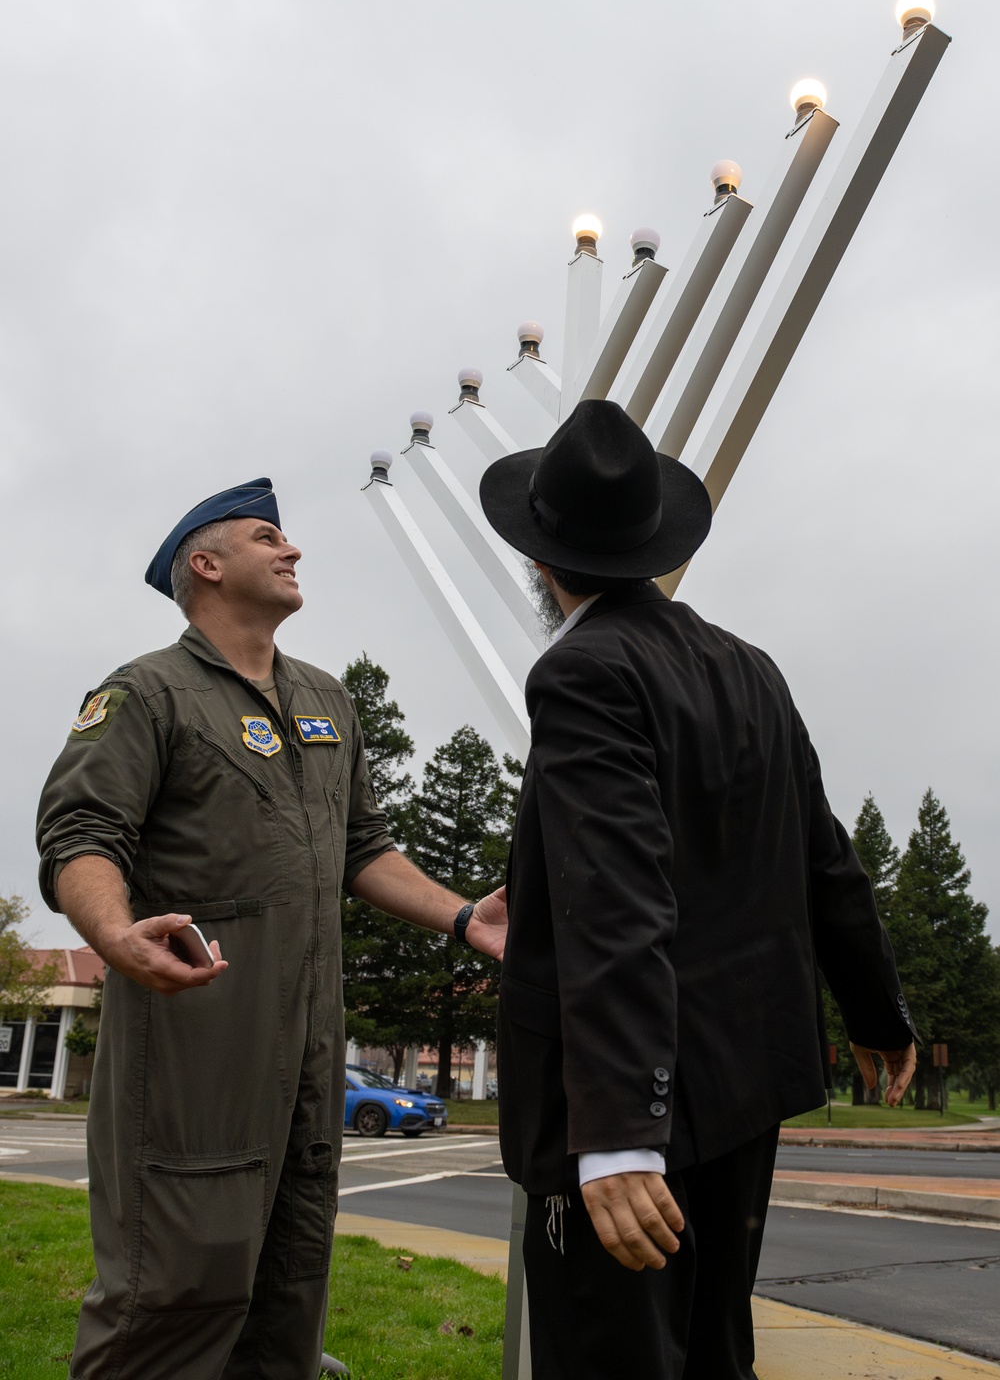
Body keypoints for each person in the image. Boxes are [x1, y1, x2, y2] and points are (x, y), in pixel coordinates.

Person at [478, 401, 917, 1380]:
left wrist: (618, 1133)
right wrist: (876, 1007)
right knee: (714, 1349)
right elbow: (824, 855)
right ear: (648, 544)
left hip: (628, 1106)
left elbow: (618, 894)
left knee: (610, 1357)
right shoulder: (747, 667)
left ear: (540, 562)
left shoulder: (581, 670)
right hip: (743, 1086)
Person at [36, 477, 506, 1380]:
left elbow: (362, 846)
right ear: (205, 565)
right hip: (194, 1046)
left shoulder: (326, 698)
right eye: (269, 537)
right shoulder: (147, 693)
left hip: (308, 1058)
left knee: (289, 1299)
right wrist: (114, 933)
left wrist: (461, 916)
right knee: (169, 1299)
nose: (293, 551)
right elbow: (80, 836)